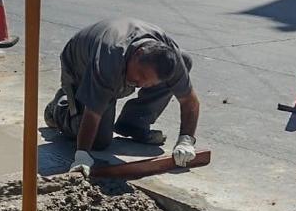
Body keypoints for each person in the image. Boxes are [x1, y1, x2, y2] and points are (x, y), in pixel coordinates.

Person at [43, 19, 201, 176]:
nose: (141, 83)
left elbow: (189, 101)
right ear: (138, 54)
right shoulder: (109, 56)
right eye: (141, 74)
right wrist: (82, 154)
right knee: (98, 141)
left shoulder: (168, 57)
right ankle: (60, 107)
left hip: (117, 67)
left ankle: (134, 123)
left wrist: (186, 139)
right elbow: (93, 113)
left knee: (184, 60)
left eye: (148, 83)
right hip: (80, 69)